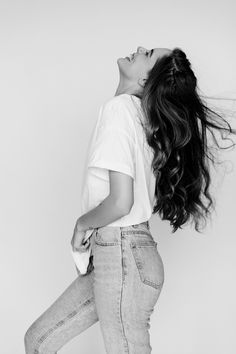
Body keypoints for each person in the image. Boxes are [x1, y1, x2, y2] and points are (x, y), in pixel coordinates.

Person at [24, 46, 236, 354]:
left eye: (148, 53)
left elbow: (121, 202)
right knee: (39, 340)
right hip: (123, 255)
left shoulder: (119, 110)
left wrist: (81, 225)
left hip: (123, 254)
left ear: (147, 78)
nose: (138, 49)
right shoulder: (140, 118)